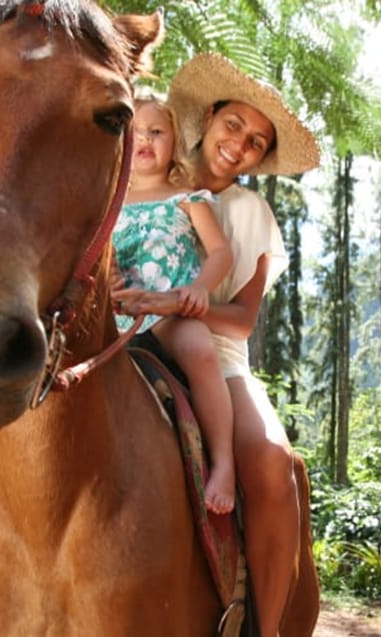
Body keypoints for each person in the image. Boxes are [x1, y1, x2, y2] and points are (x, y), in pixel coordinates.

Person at [113, 52, 320, 636]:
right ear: (208, 118)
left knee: (273, 464)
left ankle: (267, 627)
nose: (240, 144)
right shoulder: (134, 180)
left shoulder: (245, 209)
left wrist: (178, 301)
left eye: (257, 142)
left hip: (210, 348)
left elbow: (243, 319)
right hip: (119, 331)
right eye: (235, 125)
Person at [112, 94, 237, 514]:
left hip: (171, 310)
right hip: (116, 314)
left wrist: (201, 287)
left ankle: (224, 462)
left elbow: (220, 252)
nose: (144, 139)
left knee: (201, 353)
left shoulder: (187, 196)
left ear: (175, 144)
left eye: (156, 132)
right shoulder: (107, 201)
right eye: (135, 133)